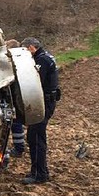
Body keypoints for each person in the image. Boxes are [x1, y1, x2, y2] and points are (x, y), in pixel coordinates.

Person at [20, 37, 59, 185]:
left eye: (25, 50)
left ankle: (39, 174)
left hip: (43, 103)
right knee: (34, 137)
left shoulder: (41, 60)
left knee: (35, 138)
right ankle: (40, 171)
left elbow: (35, 82)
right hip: (48, 101)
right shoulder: (47, 57)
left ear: (31, 47)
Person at [5, 39, 26, 158]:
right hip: (17, 99)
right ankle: (19, 146)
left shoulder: (11, 64)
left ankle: (16, 150)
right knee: (16, 124)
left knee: (11, 125)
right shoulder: (21, 63)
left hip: (12, 98)